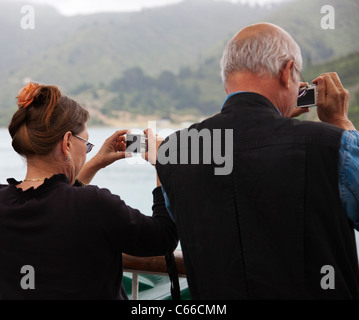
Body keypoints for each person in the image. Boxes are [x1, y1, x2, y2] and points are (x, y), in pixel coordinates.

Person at [156, 23, 359, 299]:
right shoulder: (332, 144)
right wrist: (340, 122)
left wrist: (275, 126)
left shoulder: (176, 151)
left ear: (227, 80)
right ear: (288, 73)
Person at [0, 82, 178, 300]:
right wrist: (162, 164)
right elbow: (163, 238)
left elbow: (54, 200)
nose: (86, 153)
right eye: (86, 144)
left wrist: (95, 163)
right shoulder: (94, 204)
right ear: (67, 143)